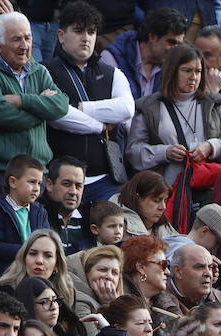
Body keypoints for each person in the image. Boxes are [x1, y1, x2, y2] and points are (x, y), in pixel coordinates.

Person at [0, 13, 70, 199]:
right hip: (0, 174)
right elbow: (0, 114)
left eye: (28, 38)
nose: (25, 46)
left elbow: (61, 105)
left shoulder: (39, 71)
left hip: (38, 173)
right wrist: (41, 111)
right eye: (16, 40)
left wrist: (22, 101)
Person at [44, 3, 133, 207]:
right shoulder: (44, 71)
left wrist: (78, 107)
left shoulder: (112, 74)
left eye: (91, 32)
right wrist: (101, 125)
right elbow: (57, 117)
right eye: (78, 31)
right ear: (61, 35)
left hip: (105, 180)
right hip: (60, 181)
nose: (86, 37)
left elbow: (126, 109)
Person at [127, 45, 221, 186]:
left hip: (211, 187)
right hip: (167, 192)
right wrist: (164, 152)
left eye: (198, 71)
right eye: (187, 70)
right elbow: (133, 152)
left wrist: (212, 146)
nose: (194, 77)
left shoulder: (216, 104)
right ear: (172, 71)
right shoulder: (148, 107)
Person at [104, 8, 186, 101]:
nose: (175, 49)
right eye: (171, 42)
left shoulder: (173, 65)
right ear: (152, 37)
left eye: (178, 44)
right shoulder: (112, 58)